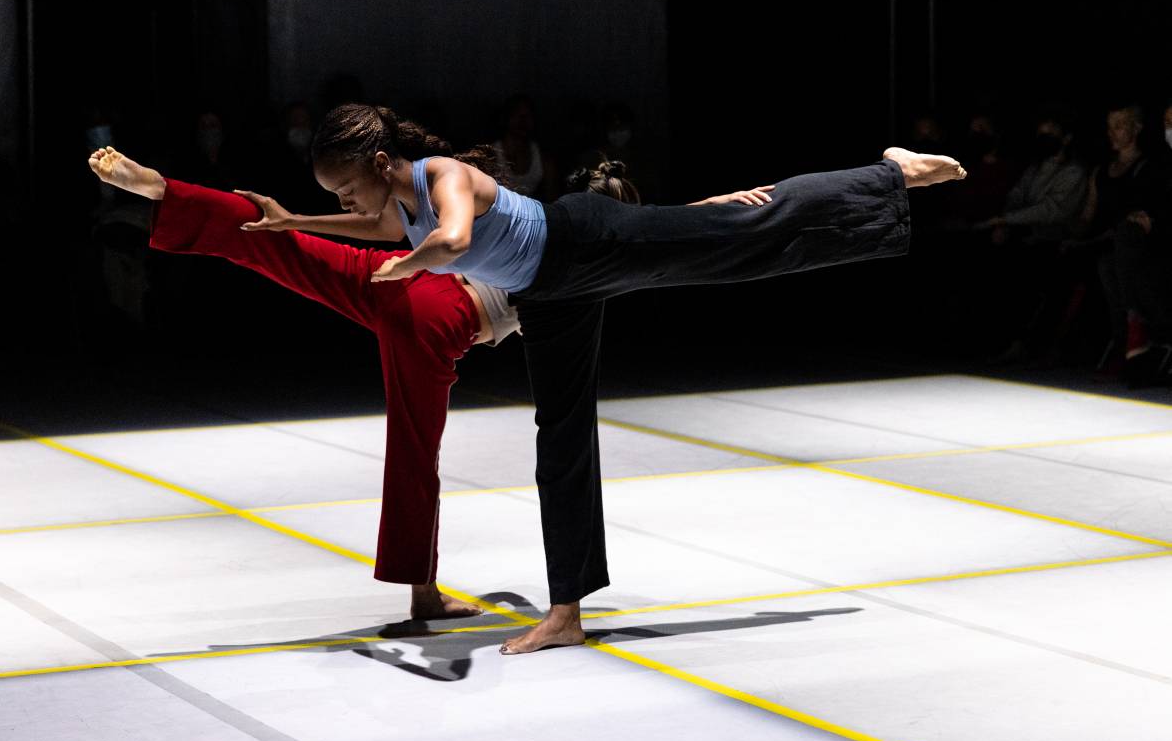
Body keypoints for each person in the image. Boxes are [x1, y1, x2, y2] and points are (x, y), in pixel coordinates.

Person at [237, 103, 966, 654]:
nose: (345, 206)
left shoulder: (440, 176)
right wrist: (291, 223)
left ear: (375, 163)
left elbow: (453, 237)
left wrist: (413, 264)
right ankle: (566, 613)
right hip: (549, 295)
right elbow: (383, 231)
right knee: (561, 438)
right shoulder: (400, 203)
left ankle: (891, 173)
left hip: (583, 240)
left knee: (738, 239)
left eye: (342, 190)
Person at [86, 142, 750, 621]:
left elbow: (667, 228)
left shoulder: (533, 218)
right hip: (438, 313)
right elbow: (672, 239)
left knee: (278, 242)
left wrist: (723, 203)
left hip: (398, 283)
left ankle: (167, 191)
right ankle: (422, 593)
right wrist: (727, 208)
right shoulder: (578, 256)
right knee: (415, 457)